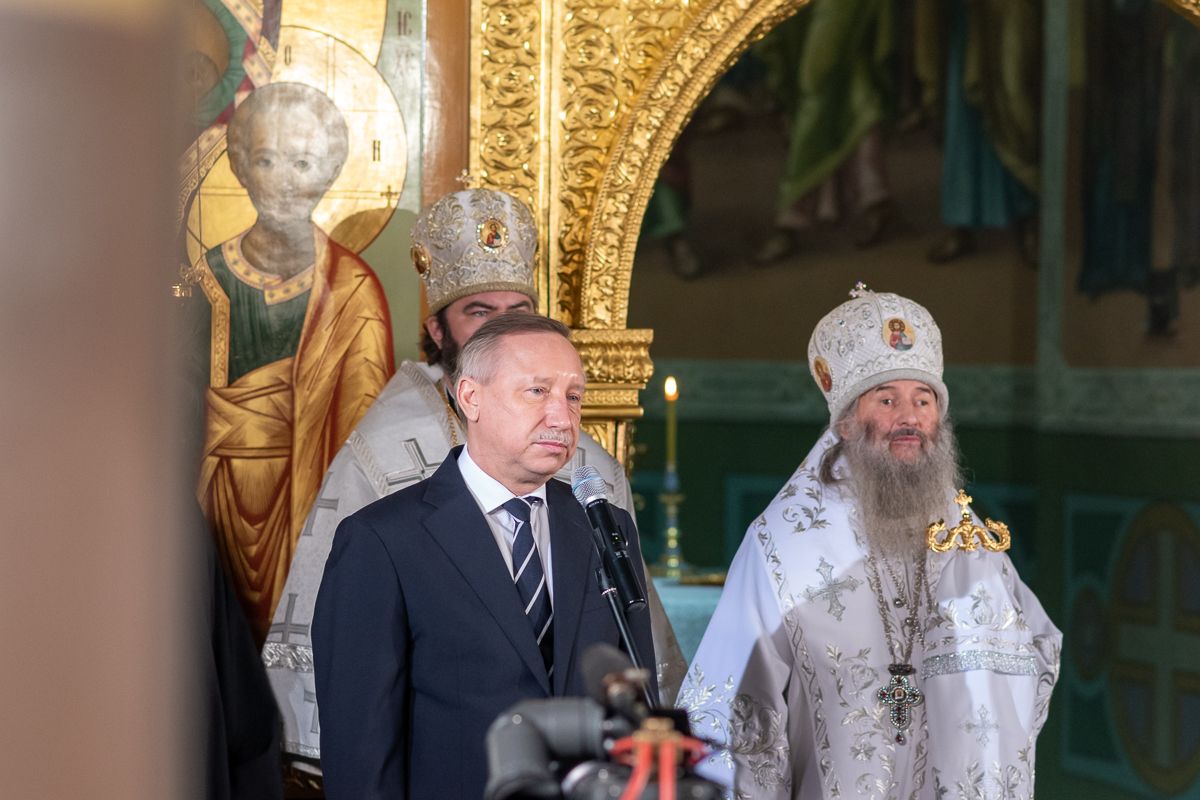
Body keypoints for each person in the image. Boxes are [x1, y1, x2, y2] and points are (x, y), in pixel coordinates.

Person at [262, 185, 687, 771]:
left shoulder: (596, 504)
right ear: (440, 333)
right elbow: (365, 725)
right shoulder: (378, 491)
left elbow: (632, 675)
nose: (558, 416)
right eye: (480, 313)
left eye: (571, 396)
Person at [678, 284, 1061, 799]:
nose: (910, 418)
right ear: (846, 422)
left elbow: (1039, 651)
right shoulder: (783, 545)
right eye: (887, 400)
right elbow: (732, 704)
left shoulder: (969, 541)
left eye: (923, 400)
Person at [312, 313, 657, 798]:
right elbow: (360, 747)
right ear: (470, 397)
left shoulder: (604, 525)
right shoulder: (382, 540)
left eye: (573, 397)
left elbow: (638, 702)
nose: (563, 419)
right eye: (537, 391)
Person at [193, 81, 394, 643]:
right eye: (266, 159)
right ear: (240, 168)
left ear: (328, 174)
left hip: (313, 514)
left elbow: (365, 434)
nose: (283, 179)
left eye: (302, 162)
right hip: (211, 507)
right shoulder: (200, 282)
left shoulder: (353, 291)